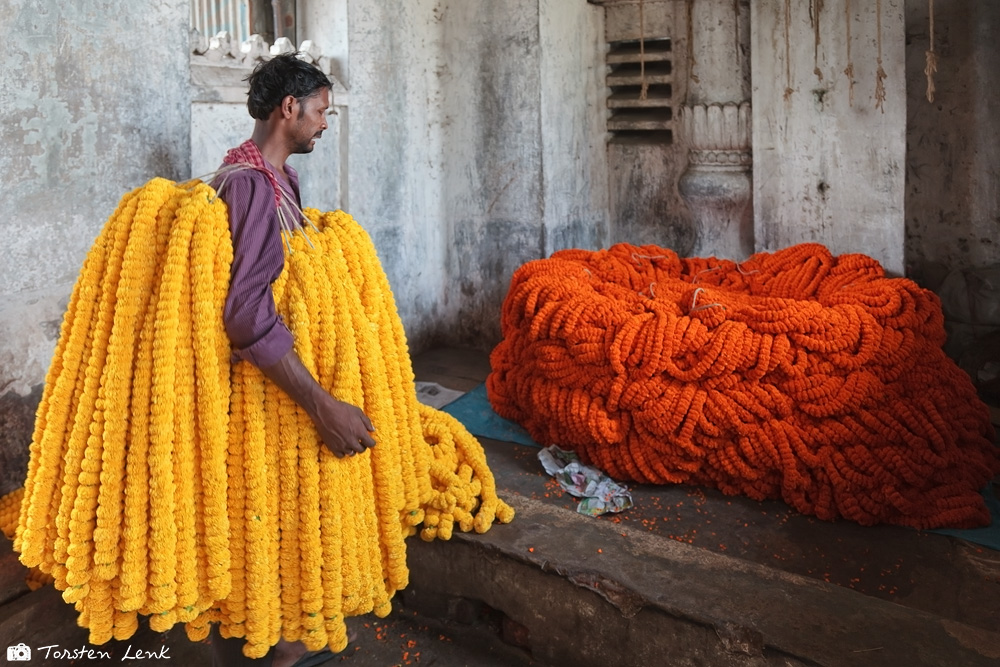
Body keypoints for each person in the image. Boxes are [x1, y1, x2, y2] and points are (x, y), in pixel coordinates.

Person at [211, 52, 376, 667]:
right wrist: (322, 404)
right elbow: (248, 315)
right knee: (261, 538)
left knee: (278, 537)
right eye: (322, 112)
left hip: (278, 387)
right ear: (291, 109)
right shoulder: (250, 187)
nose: (326, 124)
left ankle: (277, 641)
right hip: (266, 396)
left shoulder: (277, 179)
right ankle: (271, 649)